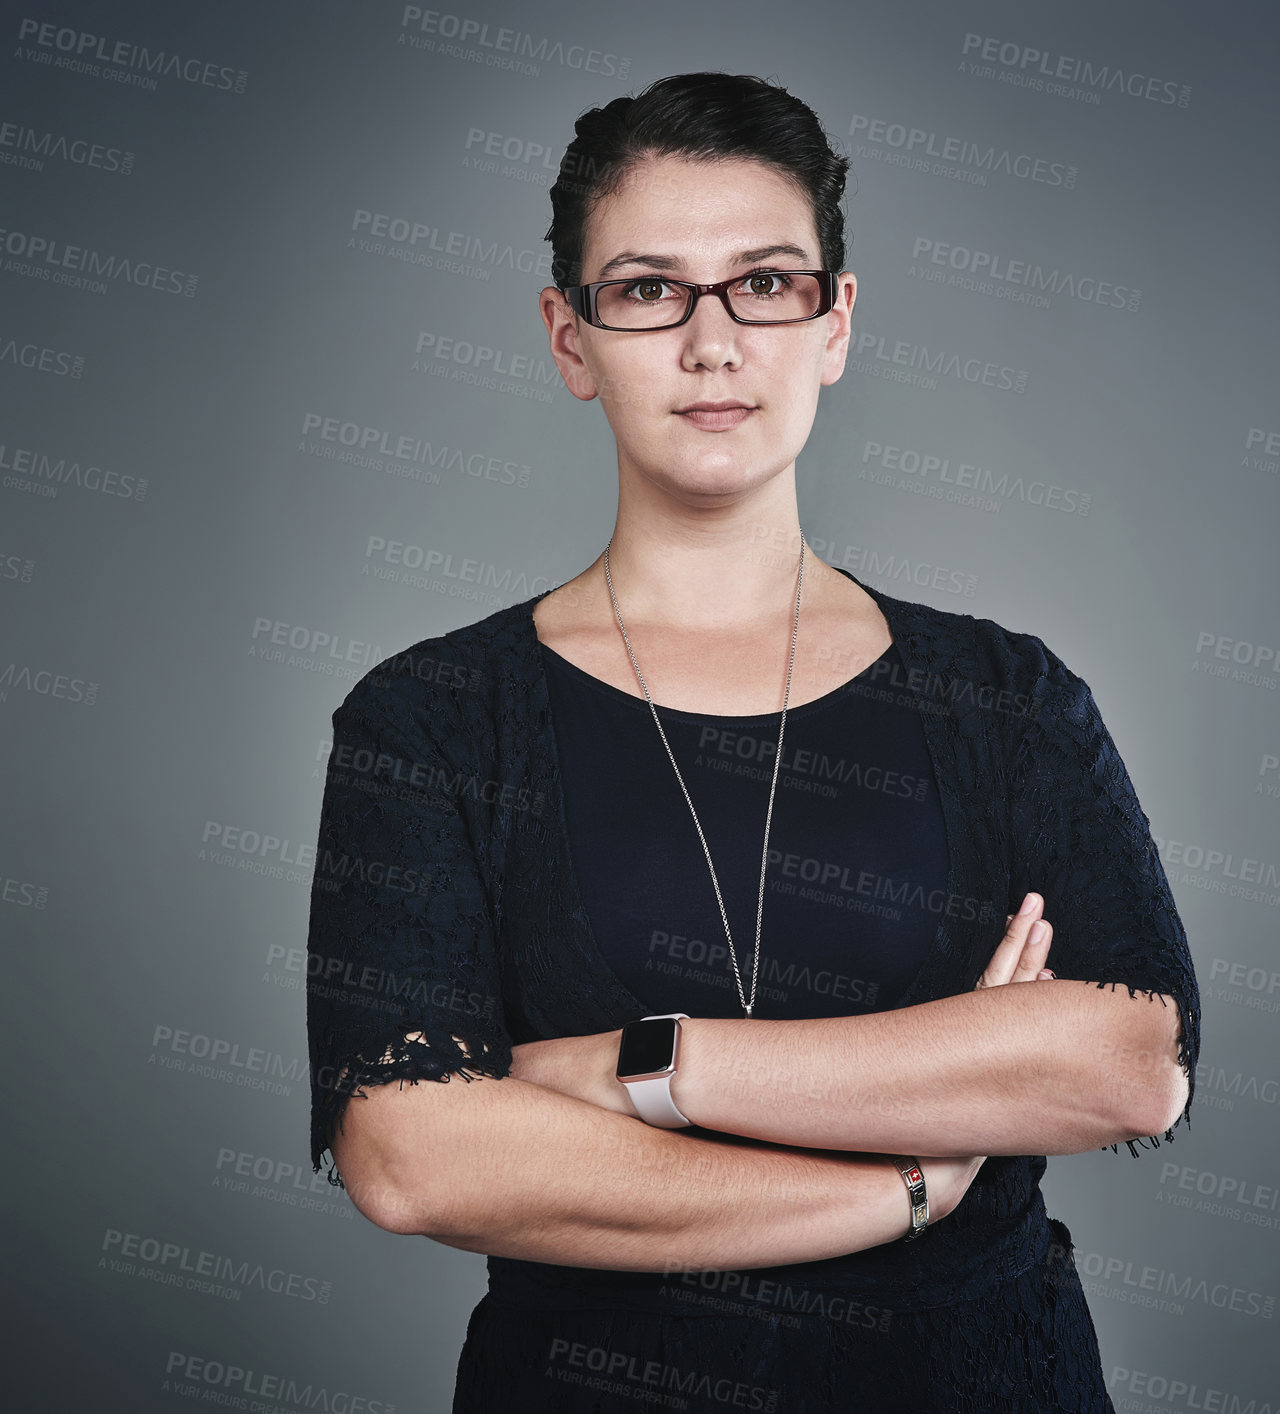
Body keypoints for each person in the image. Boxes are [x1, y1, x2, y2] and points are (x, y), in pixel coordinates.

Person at [304, 71, 1200, 1412]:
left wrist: (643, 1066)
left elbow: (1129, 1066)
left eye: (765, 284)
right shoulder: (431, 718)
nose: (712, 341)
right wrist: (900, 1180)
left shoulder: (1006, 697)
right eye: (649, 289)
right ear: (570, 337)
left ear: (834, 324)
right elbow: (415, 1159)